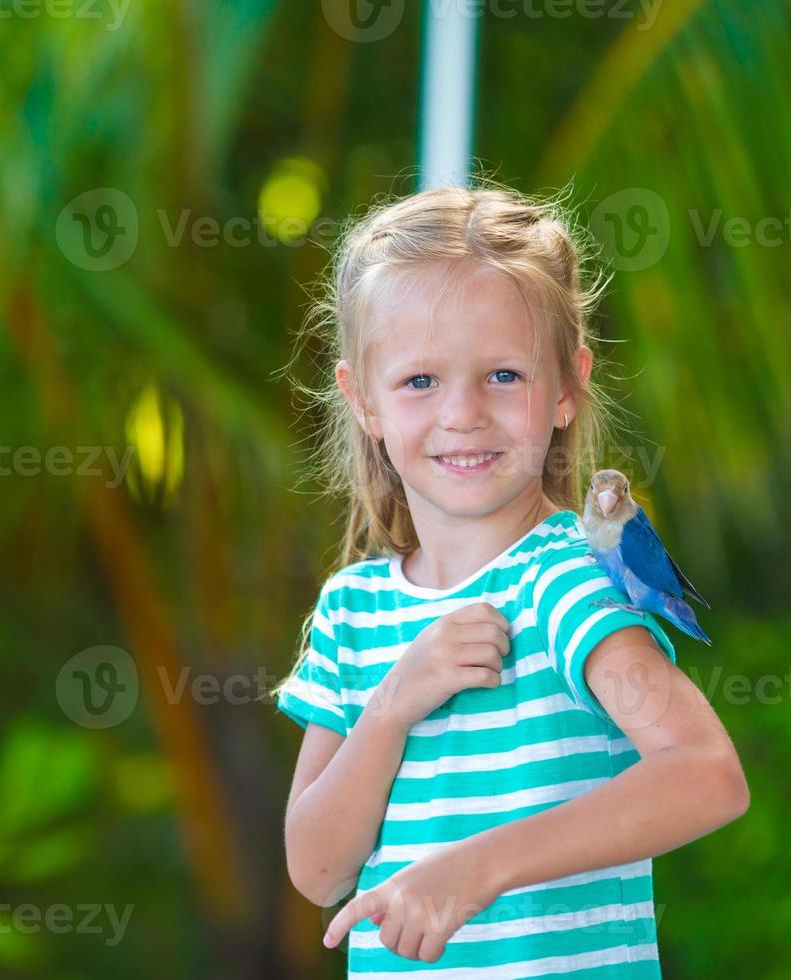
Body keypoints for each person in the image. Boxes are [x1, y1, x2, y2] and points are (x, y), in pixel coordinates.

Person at [274, 183, 749, 977]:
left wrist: (476, 866)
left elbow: (706, 776)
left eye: (501, 375)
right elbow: (318, 872)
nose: (462, 413)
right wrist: (393, 704)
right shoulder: (350, 614)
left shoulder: (566, 582)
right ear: (363, 401)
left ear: (564, 388)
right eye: (419, 382)